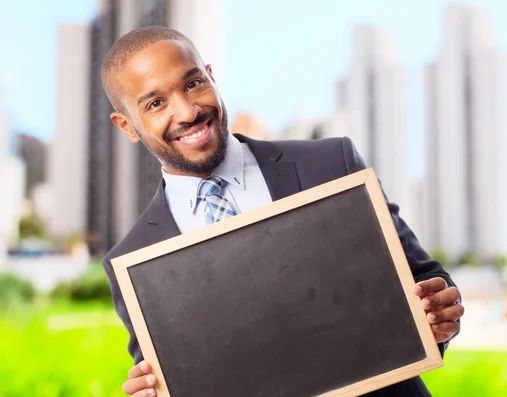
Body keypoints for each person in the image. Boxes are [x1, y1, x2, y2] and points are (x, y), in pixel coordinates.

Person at [101, 26, 464, 397]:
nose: (187, 111)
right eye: (155, 103)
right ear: (126, 125)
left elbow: (427, 282)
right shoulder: (134, 260)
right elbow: (173, 377)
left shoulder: (330, 165)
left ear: (211, 75)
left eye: (193, 83)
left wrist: (440, 311)